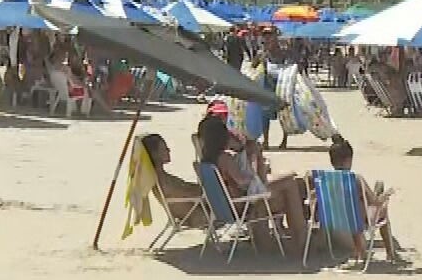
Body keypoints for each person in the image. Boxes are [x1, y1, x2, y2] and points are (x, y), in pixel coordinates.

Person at [198, 109, 311, 253]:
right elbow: (243, 182)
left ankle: (298, 238)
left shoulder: (206, 161)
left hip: (227, 206)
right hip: (242, 204)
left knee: (289, 188)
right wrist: (258, 164)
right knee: (291, 182)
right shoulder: (225, 158)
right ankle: (301, 240)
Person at [323, 135, 406, 265]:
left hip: (336, 219)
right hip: (359, 220)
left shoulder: (324, 180)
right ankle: (390, 252)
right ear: (348, 160)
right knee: (382, 208)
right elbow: (375, 202)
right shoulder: (355, 179)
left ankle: (370, 250)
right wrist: (386, 195)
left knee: (377, 186)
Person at [138, 133, 209, 231]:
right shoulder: (163, 181)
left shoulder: (160, 177)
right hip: (198, 216)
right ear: (155, 154)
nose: (168, 150)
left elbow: (188, 190)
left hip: (196, 210)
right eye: (164, 149)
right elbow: (189, 194)